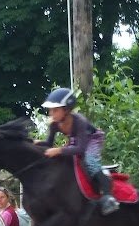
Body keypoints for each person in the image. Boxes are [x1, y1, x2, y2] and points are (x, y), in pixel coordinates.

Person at [36, 87, 119, 215]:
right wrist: (36, 144)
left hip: (92, 138)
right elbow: (49, 144)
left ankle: (108, 197)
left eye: (55, 110)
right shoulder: (54, 124)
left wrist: (59, 150)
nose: (51, 114)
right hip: (77, 139)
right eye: (50, 110)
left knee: (89, 160)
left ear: (67, 110)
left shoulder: (80, 121)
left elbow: (80, 149)